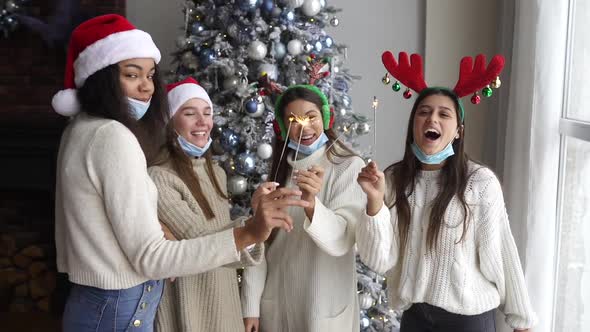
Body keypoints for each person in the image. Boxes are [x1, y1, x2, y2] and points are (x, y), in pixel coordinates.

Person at [53, 14, 308, 332]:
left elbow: (99, 212)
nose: (146, 87)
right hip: (119, 307)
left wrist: (152, 222)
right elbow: (152, 257)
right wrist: (249, 232)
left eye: (149, 75)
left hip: (96, 301)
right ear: (101, 78)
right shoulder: (113, 137)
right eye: (132, 75)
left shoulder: (80, 129)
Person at [356, 85, 537, 332]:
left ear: (458, 131)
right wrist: (375, 203)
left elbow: (501, 255)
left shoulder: (480, 183)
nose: (432, 118)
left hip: (468, 321)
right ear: (413, 125)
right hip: (415, 318)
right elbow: (379, 260)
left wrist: (522, 321)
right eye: (424, 112)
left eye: (444, 114)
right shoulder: (394, 179)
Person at [241, 85, 366, 332]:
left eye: (311, 116)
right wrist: (251, 307)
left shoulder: (348, 167)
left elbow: (343, 239)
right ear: (284, 128)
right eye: (293, 120)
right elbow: (260, 246)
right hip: (277, 308)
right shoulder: (278, 174)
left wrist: (311, 205)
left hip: (324, 309)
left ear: (325, 118)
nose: (304, 126)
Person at [149, 77, 267, 331]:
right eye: (190, 113)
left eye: (207, 113)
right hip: (191, 302)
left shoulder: (216, 171)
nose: (203, 122)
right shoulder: (160, 177)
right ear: (170, 123)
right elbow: (199, 239)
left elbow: (221, 236)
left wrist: (256, 212)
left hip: (223, 293)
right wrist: (255, 224)